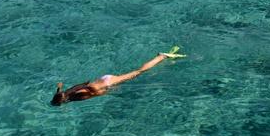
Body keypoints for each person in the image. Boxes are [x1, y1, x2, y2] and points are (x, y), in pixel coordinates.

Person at [51, 46, 185, 106]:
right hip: (103, 79)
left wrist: (108, 91)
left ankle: (161, 57)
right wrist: (59, 89)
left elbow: (93, 93)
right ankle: (162, 57)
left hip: (106, 83)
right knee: (133, 72)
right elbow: (86, 87)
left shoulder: (75, 97)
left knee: (138, 72)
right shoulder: (68, 92)